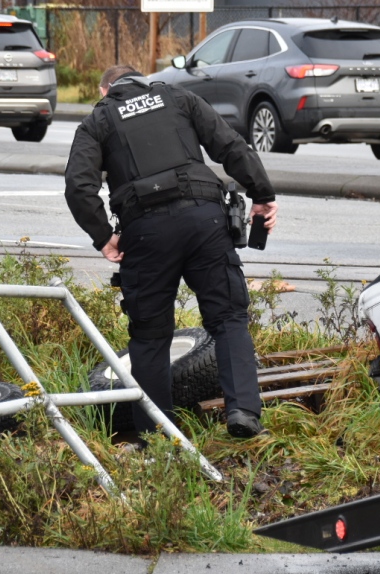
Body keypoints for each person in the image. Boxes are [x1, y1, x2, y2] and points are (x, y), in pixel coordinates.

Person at [65, 65, 279, 439]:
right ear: (143, 80)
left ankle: (156, 436)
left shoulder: (97, 120)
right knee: (228, 317)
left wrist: (103, 238)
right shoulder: (178, 97)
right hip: (205, 222)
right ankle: (243, 413)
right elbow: (230, 145)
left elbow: (78, 186)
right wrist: (261, 194)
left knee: (149, 337)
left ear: (106, 89)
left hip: (145, 235)